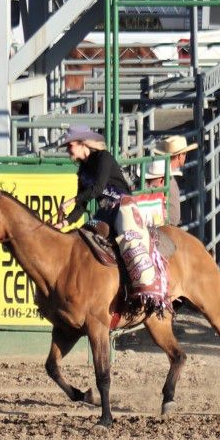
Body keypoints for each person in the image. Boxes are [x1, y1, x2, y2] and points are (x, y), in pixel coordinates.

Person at [55, 125, 170, 314]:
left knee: (131, 242)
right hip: (105, 212)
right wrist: (64, 222)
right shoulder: (83, 170)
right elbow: (81, 207)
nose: (68, 150)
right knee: (85, 238)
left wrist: (74, 199)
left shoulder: (104, 158)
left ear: (82, 144)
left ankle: (147, 291)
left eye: (70, 146)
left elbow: (98, 188)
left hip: (123, 206)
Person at [154, 135, 197, 226]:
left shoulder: (160, 172)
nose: (185, 157)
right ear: (179, 156)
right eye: (184, 154)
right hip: (165, 227)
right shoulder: (167, 178)